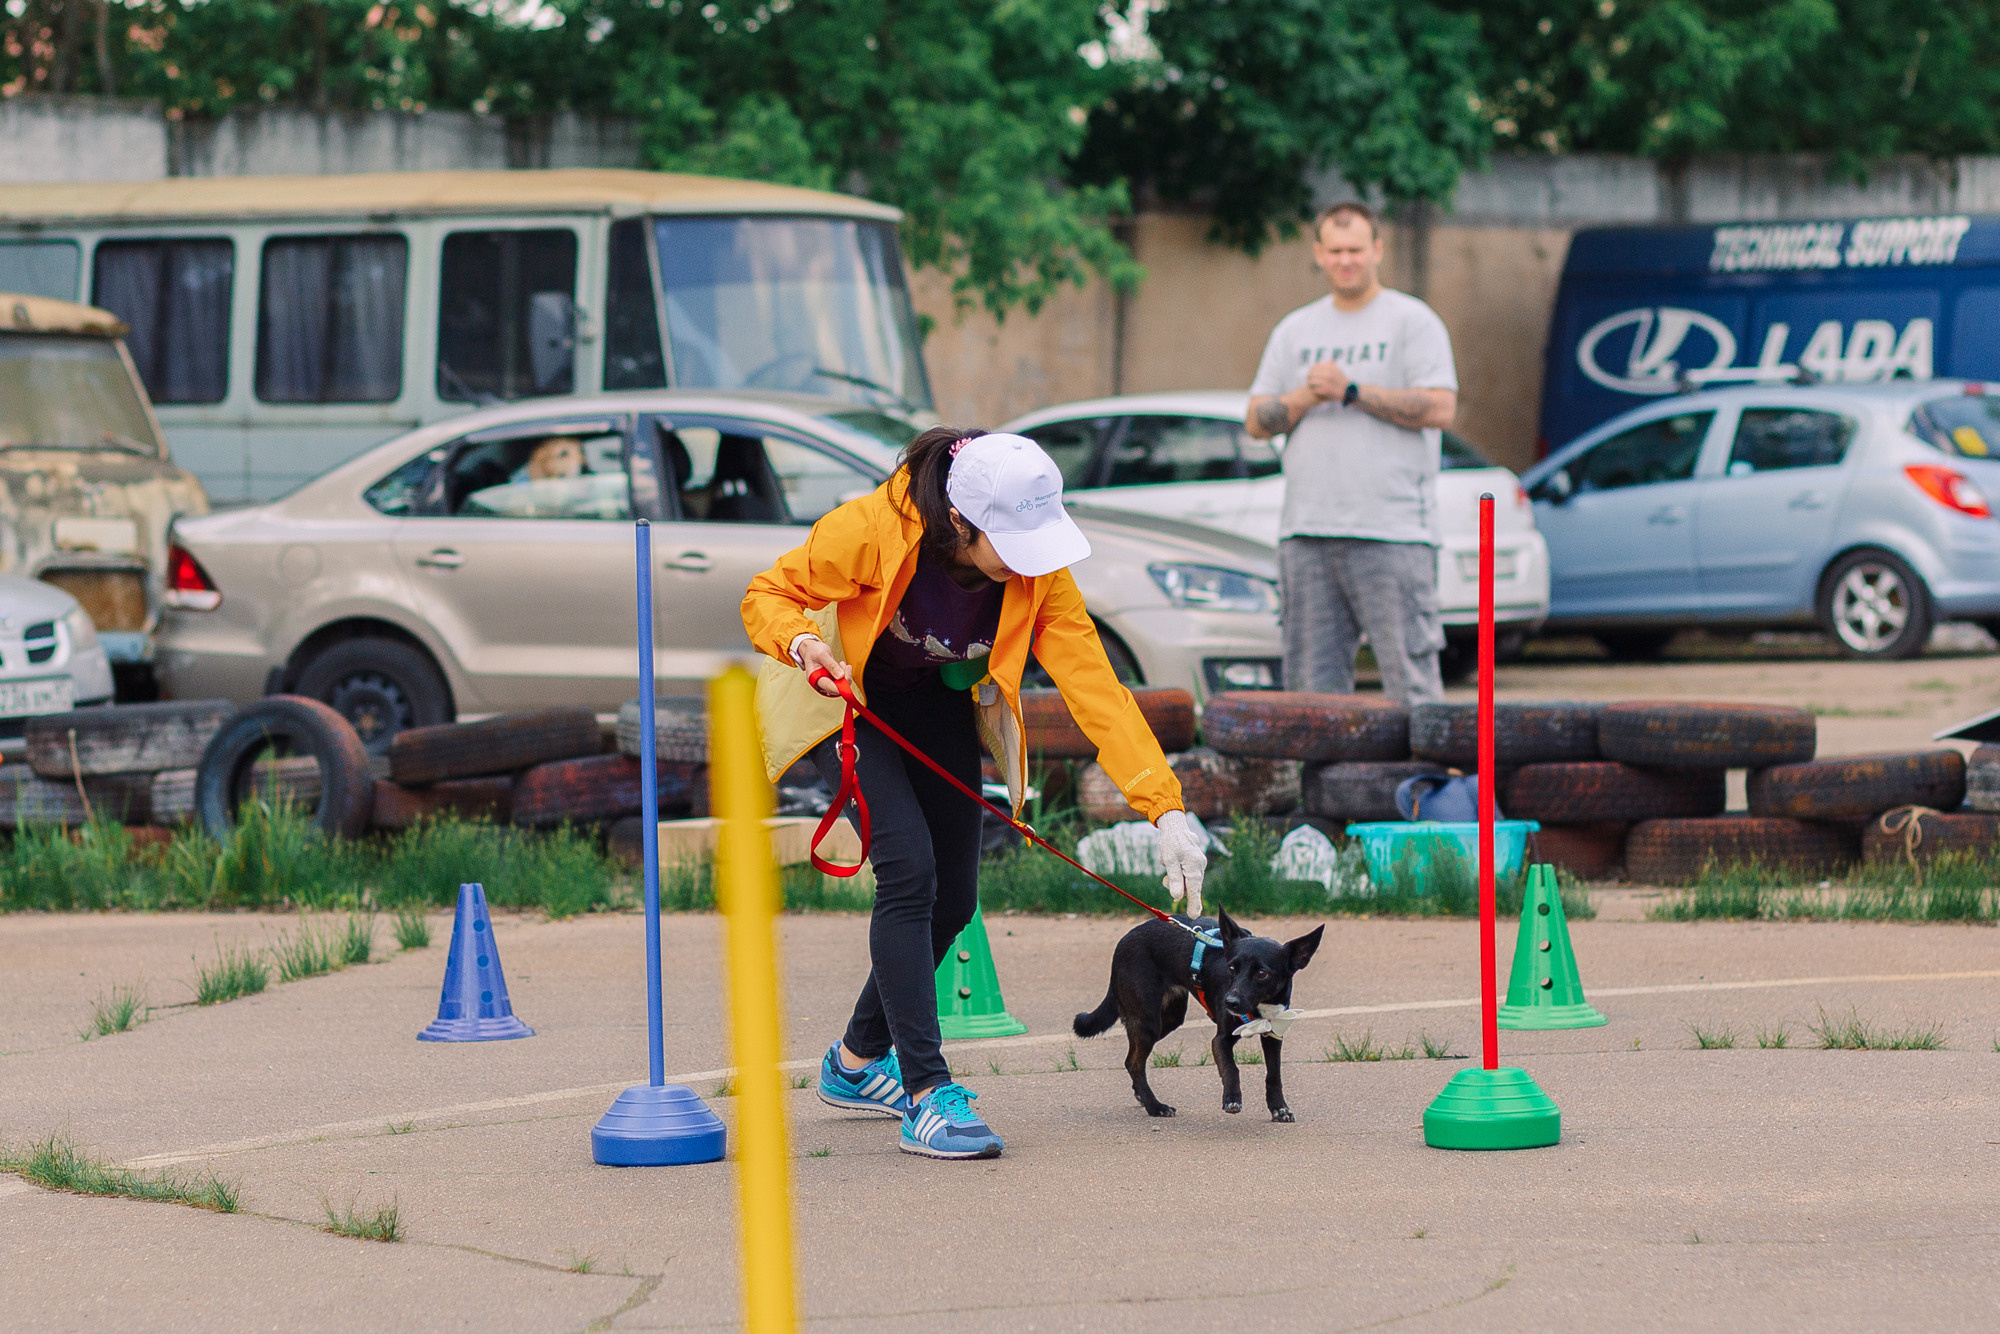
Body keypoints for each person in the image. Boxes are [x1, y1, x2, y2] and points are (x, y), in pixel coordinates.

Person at [741, 428, 1208, 1161]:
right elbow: (769, 591)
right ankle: (928, 1095)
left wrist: (1166, 806)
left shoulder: (1039, 573)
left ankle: (856, 1063)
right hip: (846, 700)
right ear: (959, 522)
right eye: (1011, 543)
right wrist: (802, 643)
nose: (1029, 562)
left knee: (955, 899)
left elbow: (1098, 692)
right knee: (909, 874)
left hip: (931, 706)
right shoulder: (869, 529)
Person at [1245, 201, 1460, 706]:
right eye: (1335, 250)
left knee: (1412, 686)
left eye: (1356, 250)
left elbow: (1440, 408)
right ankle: (1321, 790)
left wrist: (1352, 390)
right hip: (1307, 534)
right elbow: (1255, 421)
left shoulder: (1412, 321)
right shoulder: (1294, 330)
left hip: (1393, 531)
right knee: (1311, 696)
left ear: (1377, 251)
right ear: (1318, 254)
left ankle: (1425, 785)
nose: (1346, 260)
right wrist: (1305, 396)